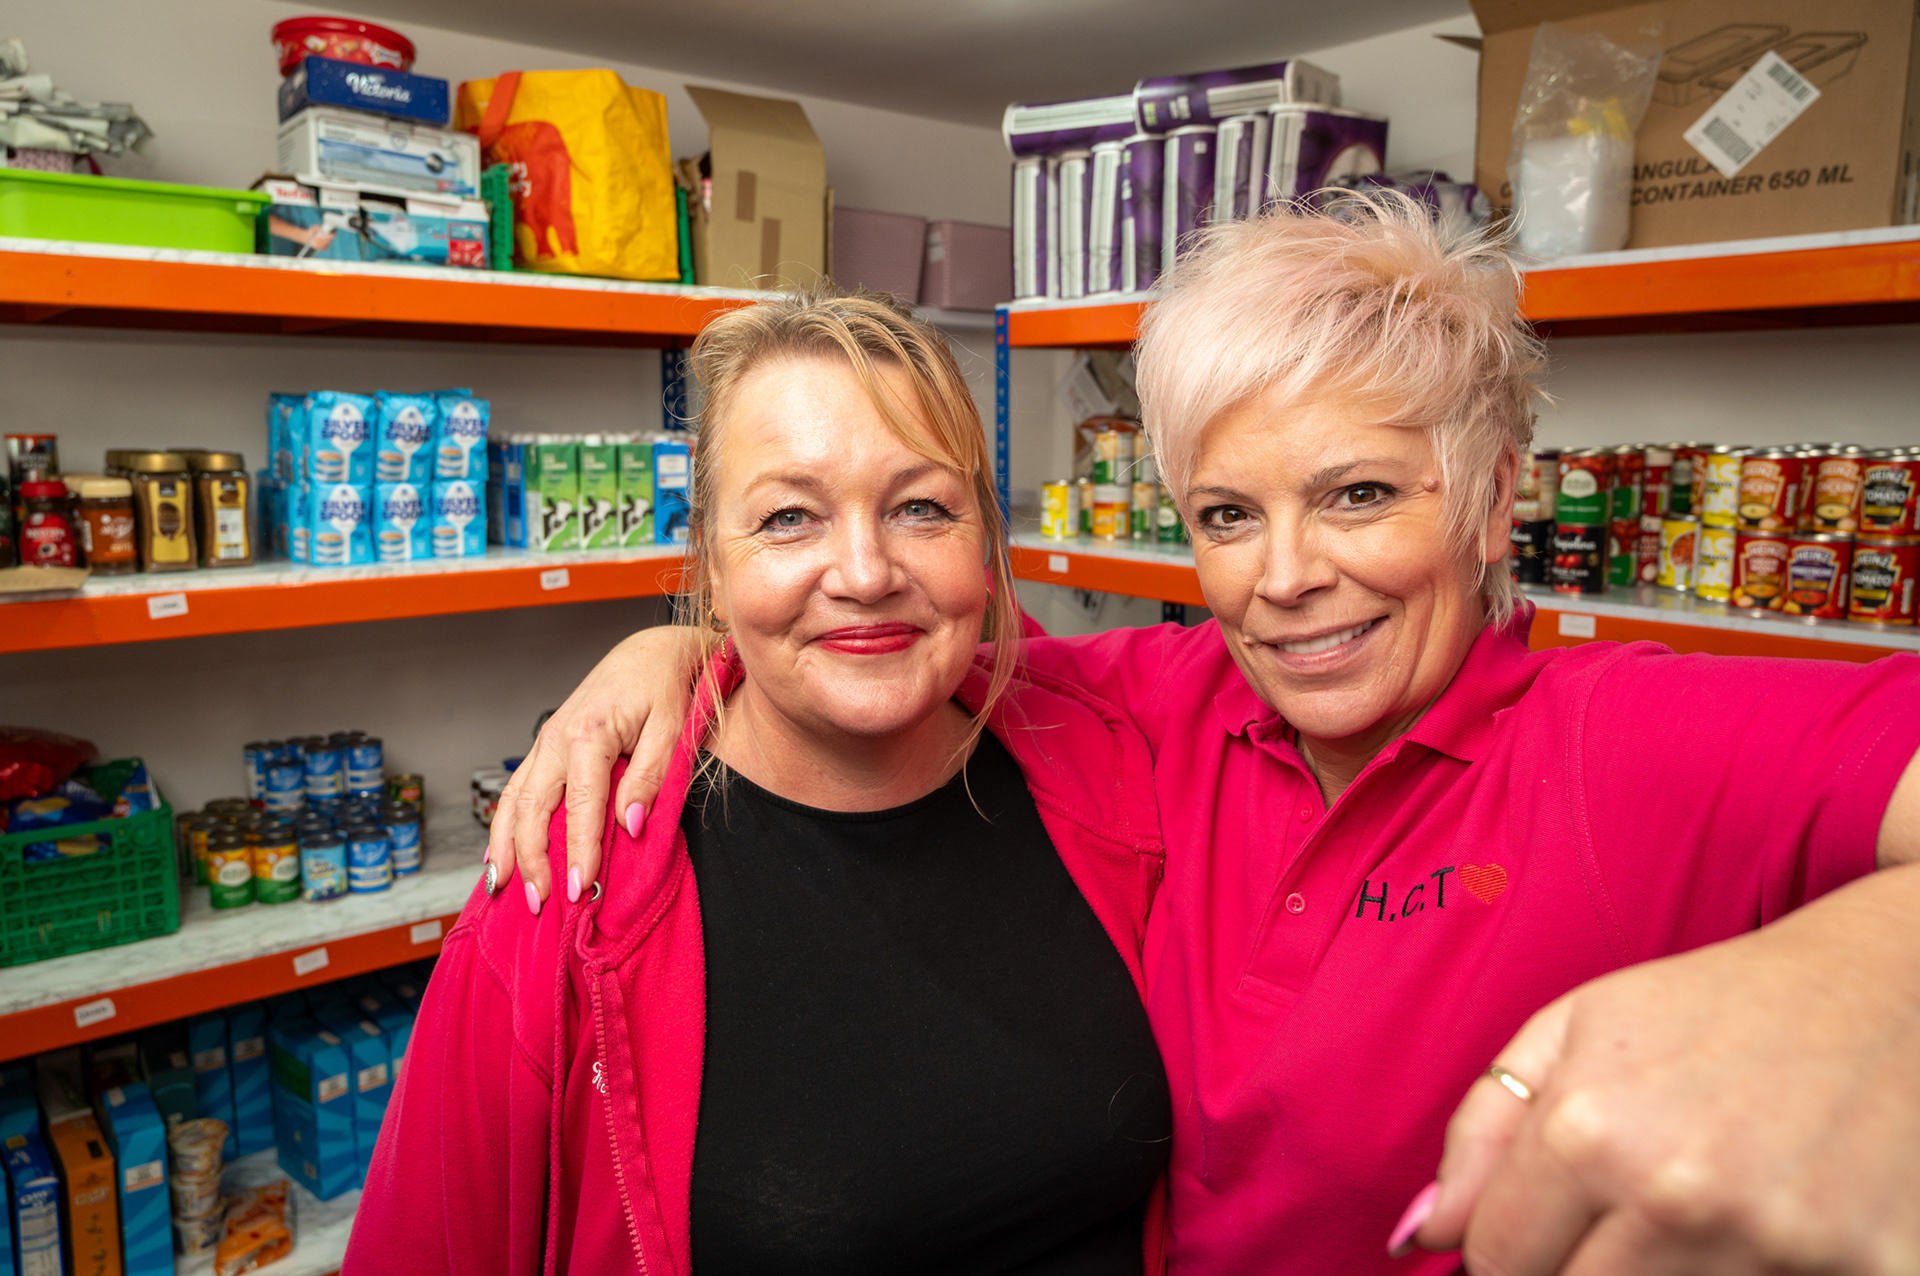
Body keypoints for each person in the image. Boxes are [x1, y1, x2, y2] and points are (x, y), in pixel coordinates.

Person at [488, 197, 1920, 1275]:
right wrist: (675, 647)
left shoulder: (1625, 743)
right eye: (1230, 515)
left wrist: (1856, 982)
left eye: (1359, 494)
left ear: (1492, 504)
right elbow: (884, 636)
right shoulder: (1157, 705)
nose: (1285, 575)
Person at [346, 291, 1178, 1274]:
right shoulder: (564, 893)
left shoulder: (1108, 763)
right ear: (710, 564)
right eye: (789, 517)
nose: (865, 571)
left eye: (921, 507)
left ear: (987, 545)